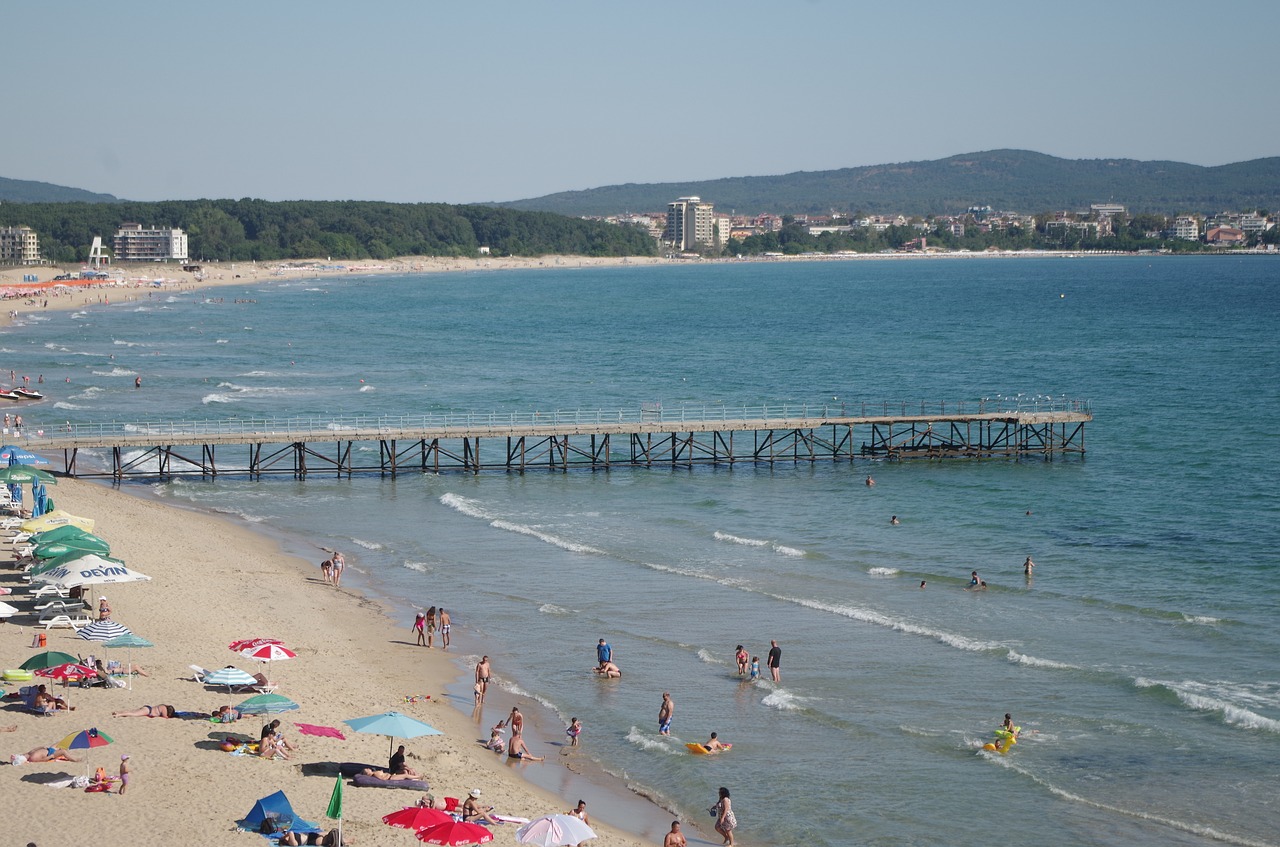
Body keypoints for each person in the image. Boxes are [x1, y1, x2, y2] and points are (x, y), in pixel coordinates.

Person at [11, 746, 79, 765]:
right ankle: (74, 759)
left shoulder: (28, 754)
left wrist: (43, 747)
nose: (22, 754)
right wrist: (51, 756)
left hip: (48, 750)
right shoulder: (32, 757)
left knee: (59, 744)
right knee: (63, 751)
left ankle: (69, 754)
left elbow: (36, 748)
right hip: (50, 754)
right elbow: (42, 760)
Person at [280, 828, 350, 845]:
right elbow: (295, 844)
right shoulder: (291, 842)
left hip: (310, 835)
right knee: (329, 838)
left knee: (328, 834)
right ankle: (345, 840)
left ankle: (344, 840)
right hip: (311, 841)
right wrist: (289, 833)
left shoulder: (287, 837)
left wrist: (286, 834)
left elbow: (289, 832)